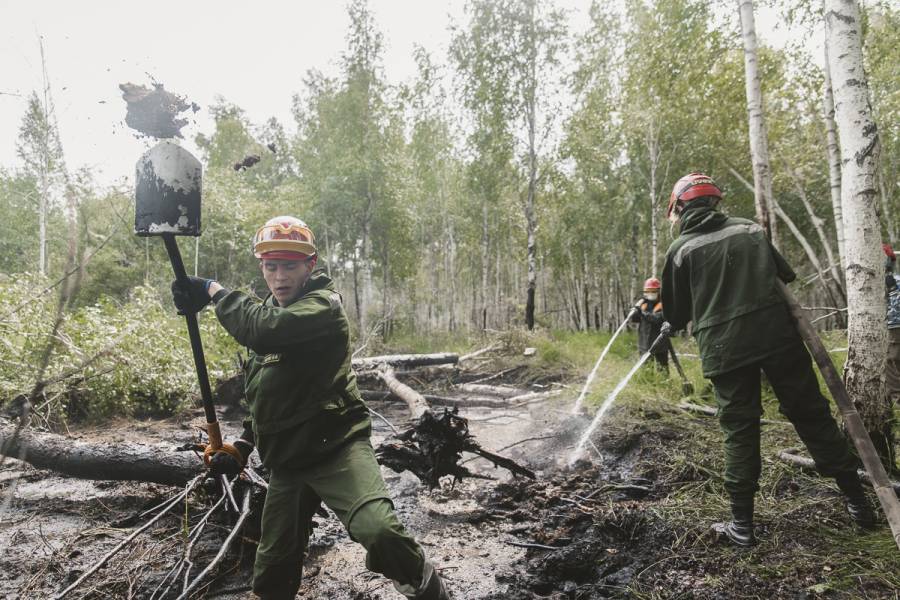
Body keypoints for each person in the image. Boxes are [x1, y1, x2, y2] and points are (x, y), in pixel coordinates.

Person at [171, 216, 451, 600]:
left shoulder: (322, 307)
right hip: (287, 462)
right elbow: (263, 395)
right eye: (271, 266)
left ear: (311, 265)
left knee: (379, 531)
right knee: (271, 575)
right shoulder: (268, 312)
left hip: (336, 448)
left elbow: (267, 329)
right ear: (262, 268)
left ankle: (425, 585)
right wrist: (242, 447)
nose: (280, 276)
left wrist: (212, 290)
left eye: (290, 266)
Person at [660, 173, 874, 547]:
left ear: (679, 206)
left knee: (740, 430)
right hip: (778, 337)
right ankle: (860, 505)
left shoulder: (680, 250)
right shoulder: (750, 231)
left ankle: (742, 527)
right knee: (812, 414)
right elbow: (784, 275)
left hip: (724, 350)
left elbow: (677, 315)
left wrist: (672, 322)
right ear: (715, 202)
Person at [882, 243, 899, 469]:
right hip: (892, 324)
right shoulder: (890, 280)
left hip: (895, 326)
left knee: (891, 363)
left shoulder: (891, 282)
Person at [630, 277, 669, 370]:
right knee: (646, 370)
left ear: (658, 291)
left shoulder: (663, 304)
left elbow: (656, 318)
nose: (650, 293)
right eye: (648, 291)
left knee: (662, 369)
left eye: (653, 291)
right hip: (644, 344)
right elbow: (635, 319)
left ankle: (663, 384)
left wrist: (641, 312)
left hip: (660, 344)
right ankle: (647, 383)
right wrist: (635, 311)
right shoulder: (643, 304)